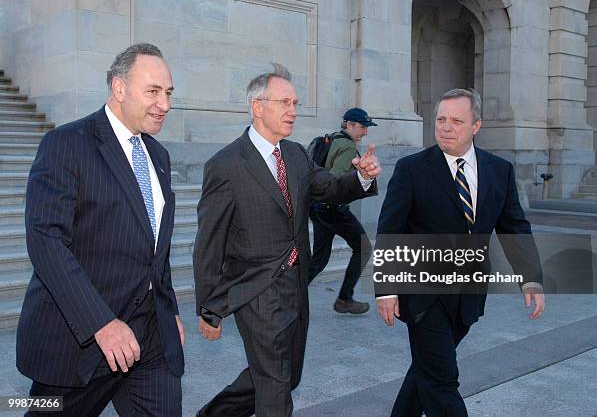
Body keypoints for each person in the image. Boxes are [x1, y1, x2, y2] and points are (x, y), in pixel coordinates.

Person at [193, 64, 381, 417]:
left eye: (295, 102)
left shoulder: (295, 154)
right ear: (258, 106)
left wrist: (362, 177)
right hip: (256, 291)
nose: (293, 110)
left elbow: (331, 188)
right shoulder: (226, 164)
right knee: (276, 389)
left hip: (296, 284)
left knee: (285, 375)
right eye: (285, 102)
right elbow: (208, 243)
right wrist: (210, 306)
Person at [17, 43, 184, 416]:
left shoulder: (158, 156)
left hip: (149, 337)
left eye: (169, 93)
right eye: (153, 91)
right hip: (80, 344)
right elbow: (45, 240)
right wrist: (102, 323)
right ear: (119, 88)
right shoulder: (66, 144)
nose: (165, 105)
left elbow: (156, 243)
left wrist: (168, 306)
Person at [375, 88, 545, 416]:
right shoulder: (412, 169)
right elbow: (389, 230)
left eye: (456, 121)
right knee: (441, 379)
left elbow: (514, 227)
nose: (446, 127)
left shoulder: (499, 170)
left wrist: (531, 278)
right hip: (422, 294)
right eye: (441, 119)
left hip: (468, 296)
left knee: (426, 371)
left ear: (476, 125)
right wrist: (386, 287)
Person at [308, 107, 377, 314]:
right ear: (349, 124)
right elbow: (335, 181)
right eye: (362, 127)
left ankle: (288, 295)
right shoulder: (346, 146)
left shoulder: (331, 139)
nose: (365, 132)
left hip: (318, 207)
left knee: (319, 259)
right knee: (364, 247)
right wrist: (360, 177)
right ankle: (345, 299)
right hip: (332, 209)